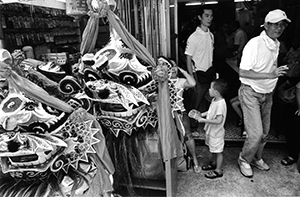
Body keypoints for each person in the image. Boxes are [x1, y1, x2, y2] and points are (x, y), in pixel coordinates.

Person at [237, 9, 291, 178]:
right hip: (250, 92)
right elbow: (243, 72)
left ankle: (256, 158)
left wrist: (273, 79)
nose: (279, 28)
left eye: (282, 25)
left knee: (265, 132)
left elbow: (269, 67)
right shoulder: (255, 44)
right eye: (275, 24)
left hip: (267, 93)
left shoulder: (275, 44)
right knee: (255, 133)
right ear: (266, 25)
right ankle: (244, 159)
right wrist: (271, 75)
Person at [188, 78, 228, 179]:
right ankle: (214, 164)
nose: (208, 90)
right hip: (211, 131)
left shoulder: (221, 104)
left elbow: (219, 120)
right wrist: (200, 114)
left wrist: (203, 120)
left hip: (217, 133)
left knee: (218, 151)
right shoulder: (215, 100)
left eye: (210, 88)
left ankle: (218, 170)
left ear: (216, 92)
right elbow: (210, 112)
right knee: (213, 149)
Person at [167, 58, 201, 173]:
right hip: (166, 114)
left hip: (180, 112)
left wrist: (183, 71)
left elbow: (193, 83)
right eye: (170, 67)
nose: (173, 70)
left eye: (174, 67)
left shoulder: (180, 81)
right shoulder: (162, 81)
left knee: (188, 135)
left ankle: (195, 160)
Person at [184, 5, 215, 129]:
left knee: (209, 100)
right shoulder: (194, 37)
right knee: (195, 102)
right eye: (206, 16)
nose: (209, 18)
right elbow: (188, 58)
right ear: (199, 17)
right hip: (198, 73)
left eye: (211, 16)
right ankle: (192, 127)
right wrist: (192, 78)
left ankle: (205, 124)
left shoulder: (211, 35)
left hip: (209, 72)